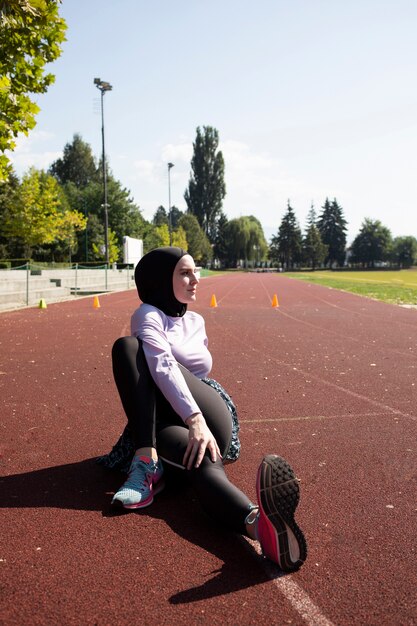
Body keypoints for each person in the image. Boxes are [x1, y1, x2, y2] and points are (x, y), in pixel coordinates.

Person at [98, 246, 307, 573]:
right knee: (201, 465)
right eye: (184, 272)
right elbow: (160, 364)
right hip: (170, 423)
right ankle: (260, 527)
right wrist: (188, 424)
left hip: (207, 411)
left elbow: (167, 366)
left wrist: (196, 418)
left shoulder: (196, 319)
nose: (196, 279)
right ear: (159, 280)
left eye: (196, 271)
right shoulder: (149, 314)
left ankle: (145, 456)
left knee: (129, 348)